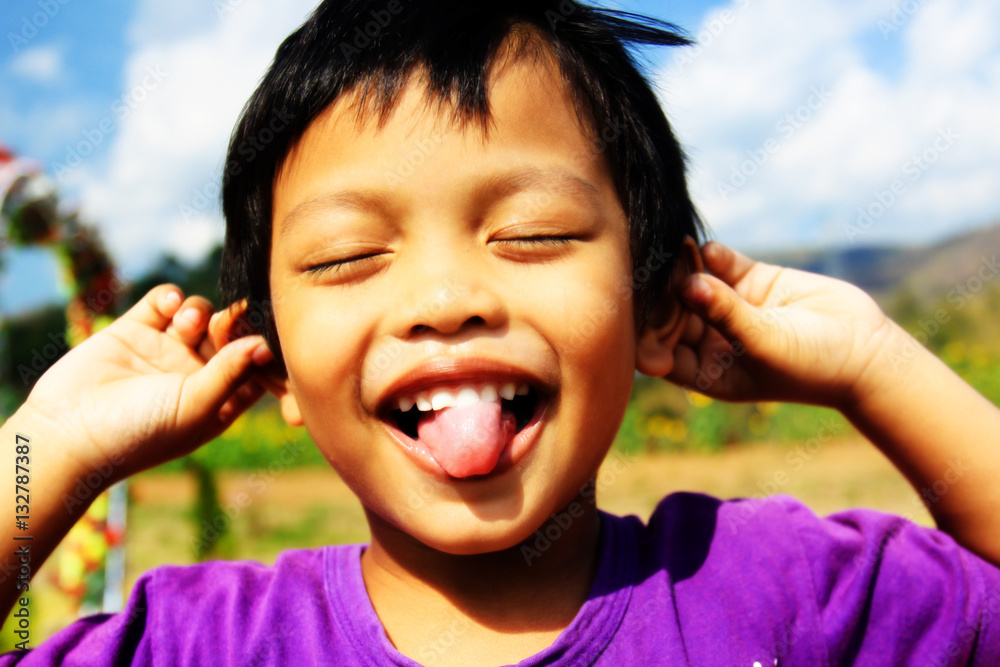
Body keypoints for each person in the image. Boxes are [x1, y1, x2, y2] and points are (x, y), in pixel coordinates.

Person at [2, 1, 999, 664]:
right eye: (348, 254)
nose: (446, 296)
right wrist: (46, 446)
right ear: (276, 367)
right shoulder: (202, 643)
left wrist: (875, 367)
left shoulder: (787, 593)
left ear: (655, 306)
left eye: (533, 232)